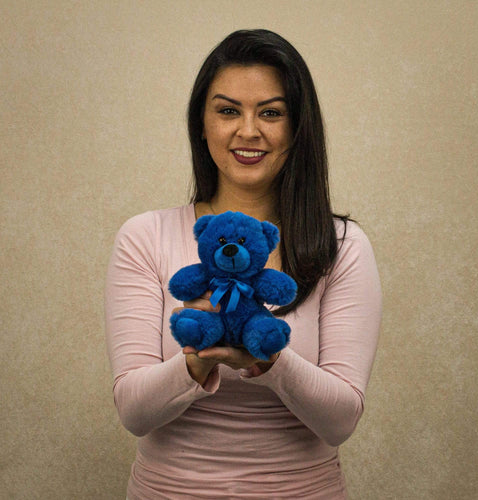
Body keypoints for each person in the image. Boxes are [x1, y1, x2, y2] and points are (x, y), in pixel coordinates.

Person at [105, 29, 382, 500]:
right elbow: (133, 413)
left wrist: (269, 358)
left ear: (297, 128)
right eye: (228, 110)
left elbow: (340, 421)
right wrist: (197, 358)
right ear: (202, 123)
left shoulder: (343, 245)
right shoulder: (144, 236)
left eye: (271, 113)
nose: (248, 131)